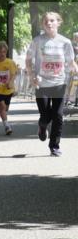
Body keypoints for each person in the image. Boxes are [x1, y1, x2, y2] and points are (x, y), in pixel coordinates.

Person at [26, 11, 77, 156]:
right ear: (43, 24)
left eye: (52, 20)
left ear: (58, 23)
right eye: (46, 21)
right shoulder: (37, 41)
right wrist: (31, 76)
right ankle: (42, 126)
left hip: (59, 82)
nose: (49, 23)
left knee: (58, 115)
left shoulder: (65, 42)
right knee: (45, 115)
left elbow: (71, 61)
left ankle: (54, 146)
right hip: (41, 83)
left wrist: (75, 67)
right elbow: (28, 60)